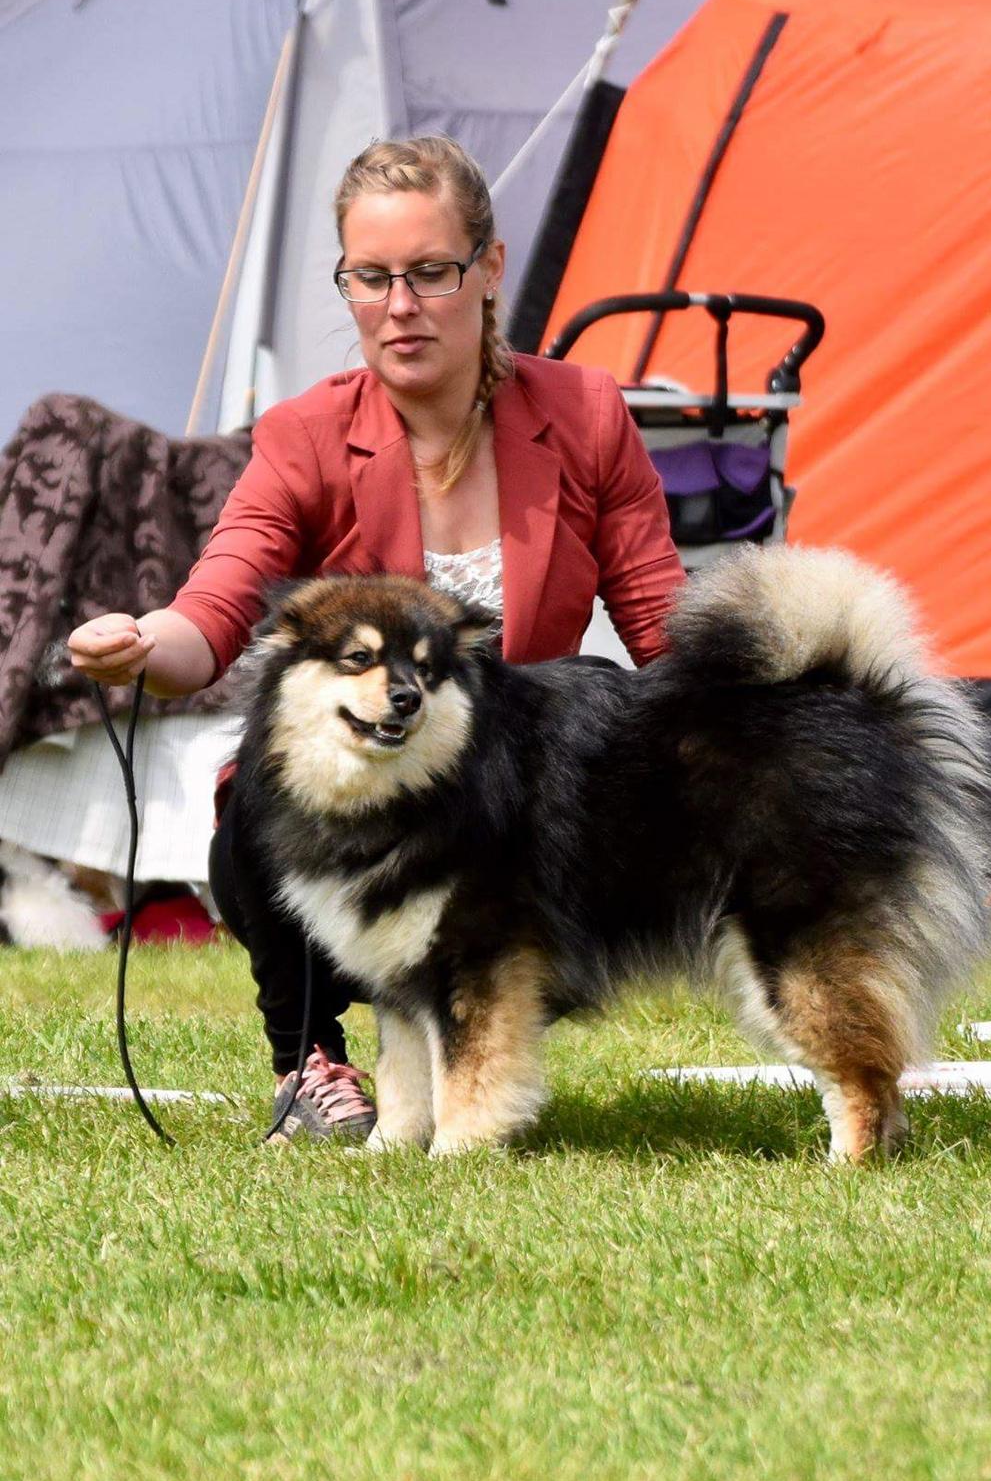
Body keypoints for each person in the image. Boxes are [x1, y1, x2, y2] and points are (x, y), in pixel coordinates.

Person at [68, 135, 686, 1141]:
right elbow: (220, 603)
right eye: (370, 277)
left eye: (430, 272)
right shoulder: (306, 434)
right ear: (346, 283)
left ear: (487, 270)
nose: (399, 306)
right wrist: (146, 641)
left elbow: (662, 622)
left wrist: (753, 725)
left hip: (512, 810)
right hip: (369, 808)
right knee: (253, 808)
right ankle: (311, 1059)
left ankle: (485, 1047)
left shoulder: (582, 414)